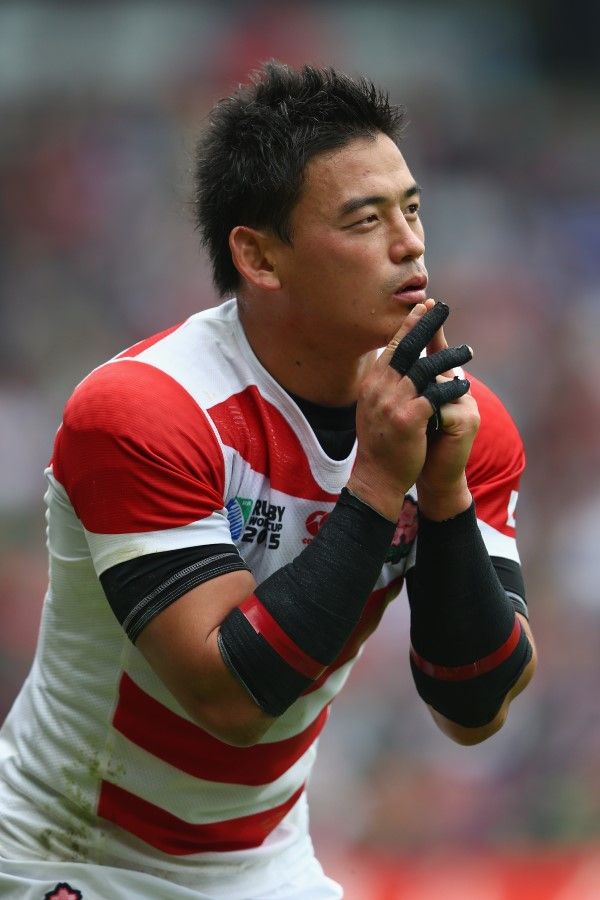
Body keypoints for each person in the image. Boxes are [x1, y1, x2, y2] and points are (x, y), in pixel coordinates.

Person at [0, 62, 536, 899]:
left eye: (412, 209)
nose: (409, 244)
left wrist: (444, 494)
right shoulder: (144, 412)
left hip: (263, 866)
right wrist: (375, 482)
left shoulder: (464, 423)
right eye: (365, 220)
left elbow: (475, 710)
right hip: (69, 851)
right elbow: (232, 703)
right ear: (258, 256)